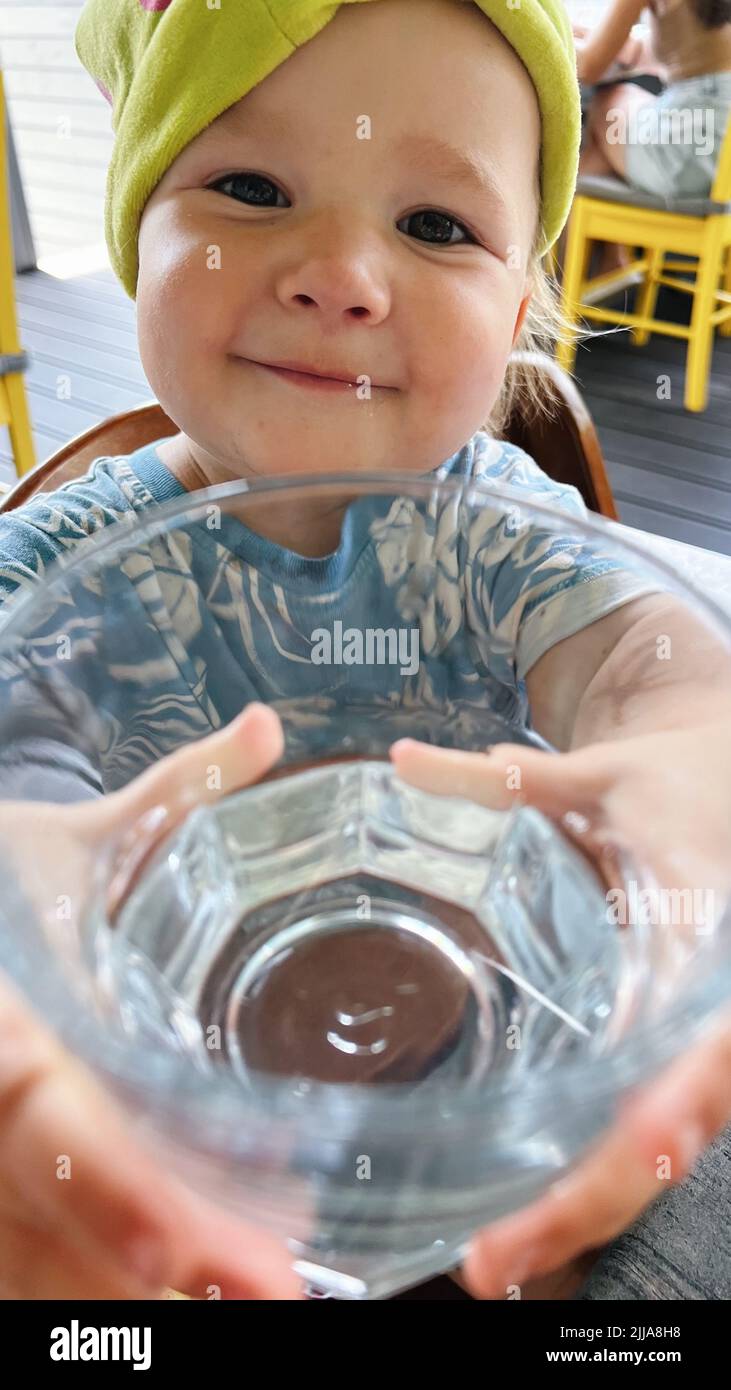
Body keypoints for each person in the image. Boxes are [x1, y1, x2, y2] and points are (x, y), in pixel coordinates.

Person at [0, 0, 730, 1299]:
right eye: (250, 187)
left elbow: (646, 669)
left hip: (496, 1113)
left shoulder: (494, 539)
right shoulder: (61, 571)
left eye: (434, 224)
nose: (339, 272)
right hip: (170, 1162)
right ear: (134, 234)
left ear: (517, 302)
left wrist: (691, 766)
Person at [573, 0, 731, 275]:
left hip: (689, 154)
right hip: (719, 156)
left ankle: (574, 280)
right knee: (625, 119)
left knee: (609, 102)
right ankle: (607, 264)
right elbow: (671, 47)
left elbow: (589, 67)